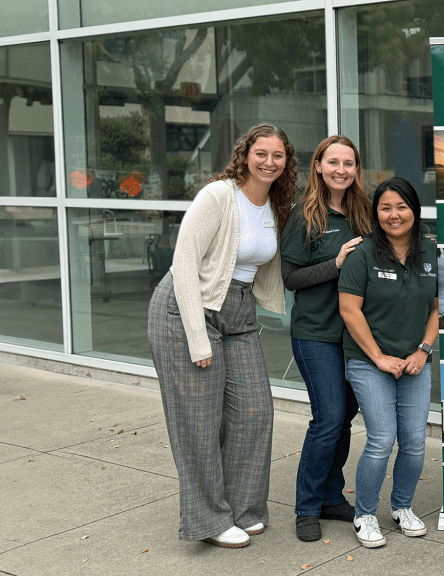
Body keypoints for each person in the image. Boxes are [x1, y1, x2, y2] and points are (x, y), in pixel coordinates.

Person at [147, 124, 294, 548]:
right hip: (185, 309)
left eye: (278, 155)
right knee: (199, 422)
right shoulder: (218, 195)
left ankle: (243, 508)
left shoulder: (276, 204)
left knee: (255, 411)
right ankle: (208, 520)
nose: (269, 162)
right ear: (245, 154)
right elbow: (185, 262)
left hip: (238, 312)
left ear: (287, 161)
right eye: (261, 153)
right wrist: (197, 337)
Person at [280, 136, 373, 542]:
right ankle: (306, 507)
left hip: (356, 335)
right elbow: (291, 278)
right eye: (332, 162)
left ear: (356, 169)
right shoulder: (305, 215)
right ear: (318, 166)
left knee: (345, 418)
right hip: (316, 333)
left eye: (348, 163)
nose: (341, 170)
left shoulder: (364, 214)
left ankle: (332, 496)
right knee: (329, 417)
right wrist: (335, 264)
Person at [338, 177, 438, 549]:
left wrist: (422, 351)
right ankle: (364, 513)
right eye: (385, 207)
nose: (394, 215)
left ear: (414, 210)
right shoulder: (362, 253)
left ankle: (402, 507)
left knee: (414, 441)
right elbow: (349, 310)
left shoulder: (431, 253)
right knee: (382, 438)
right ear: (375, 212)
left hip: (414, 360)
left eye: (401, 207)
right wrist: (379, 357)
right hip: (368, 361)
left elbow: (437, 308)